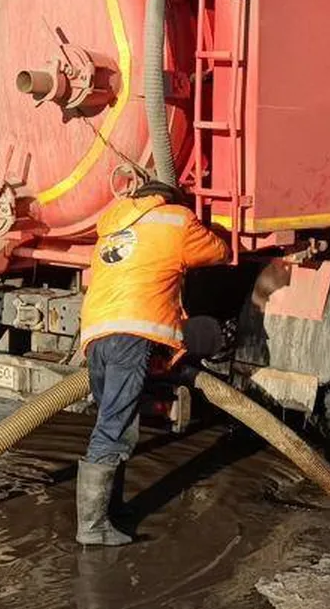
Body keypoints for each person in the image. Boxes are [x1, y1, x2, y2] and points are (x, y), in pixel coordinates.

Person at [74, 179, 229, 546]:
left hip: (95, 331)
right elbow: (218, 252)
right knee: (116, 424)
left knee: (111, 417)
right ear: (168, 199)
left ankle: (112, 510)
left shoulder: (113, 221)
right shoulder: (176, 220)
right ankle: (93, 528)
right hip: (134, 332)